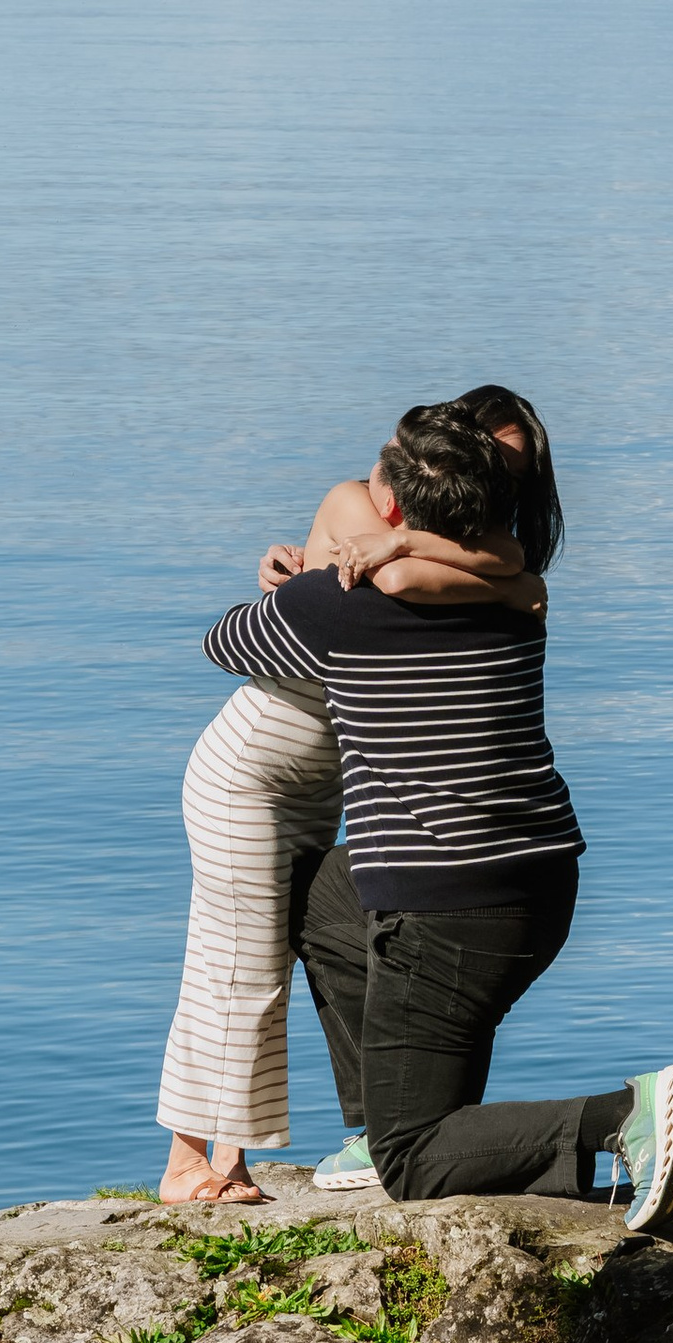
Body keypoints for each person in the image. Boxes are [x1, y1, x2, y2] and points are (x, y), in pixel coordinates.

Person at [199, 400, 673, 1224]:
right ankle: (384, 1118)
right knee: (317, 898)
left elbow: (225, 641)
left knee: (416, 1161)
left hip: (449, 908)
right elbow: (504, 566)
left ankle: (624, 1116)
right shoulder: (517, 596)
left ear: (389, 507)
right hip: (543, 885)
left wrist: (306, 573)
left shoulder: (336, 608)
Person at [154, 396, 537, 1210]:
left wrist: (398, 547)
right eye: (495, 457)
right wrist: (300, 589)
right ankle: (196, 1165)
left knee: (288, 934)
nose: (506, 478)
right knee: (239, 958)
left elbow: (503, 568)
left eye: (517, 468)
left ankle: (256, 1153)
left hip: (321, 771)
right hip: (251, 766)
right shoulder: (358, 505)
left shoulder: (466, 549)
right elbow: (232, 639)